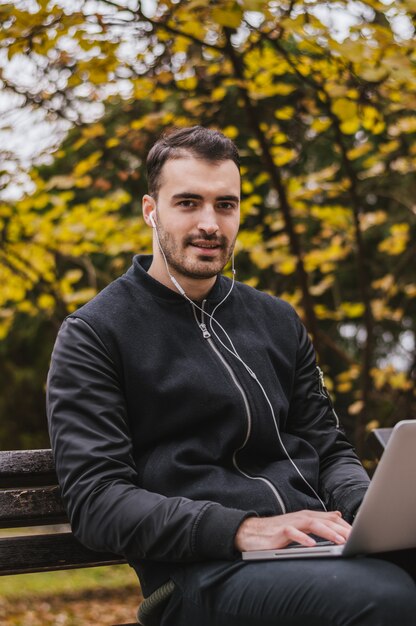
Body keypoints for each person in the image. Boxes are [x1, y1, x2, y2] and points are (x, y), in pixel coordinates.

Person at [47, 126, 416, 625]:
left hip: (315, 551)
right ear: (150, 210)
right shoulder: (95, 333)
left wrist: (369, 514)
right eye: (188, 203)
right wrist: (245, 528)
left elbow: (329, 450)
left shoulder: (276, 320)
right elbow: (96, 500)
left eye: (225, 205)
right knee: (387, 599)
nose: (210, 224)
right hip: (197, 574)